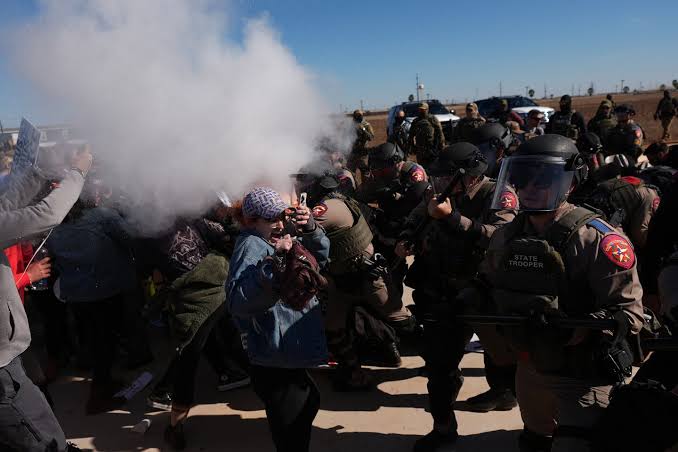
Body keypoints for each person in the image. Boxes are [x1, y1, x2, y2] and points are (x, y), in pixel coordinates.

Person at [478, 134, 644, 452]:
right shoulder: (507, 236)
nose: (529, 189)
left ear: (570, 184)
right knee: (535, 440)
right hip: (531, 366)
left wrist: (576, 328)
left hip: (581, 371)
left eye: (542, 180)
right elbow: (488, 283)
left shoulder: (597, 240)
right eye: (522, 179)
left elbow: (630, 313)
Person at [397, 143, 517, 452]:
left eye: (446, 176)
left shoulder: (498, 194)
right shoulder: (439, 192)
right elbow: (417, 216)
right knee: (439, 366)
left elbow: (501, 236)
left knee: (503, 355)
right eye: (438, 177)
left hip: (484, 292)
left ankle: (505, 394)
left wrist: (453, 219)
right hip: (443, 292)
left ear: (471, 176)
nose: (438, 182)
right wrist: (407, 238)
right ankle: (443, 428)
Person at [0, 149, 92, 452]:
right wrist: (78, 172)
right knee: (46, 442)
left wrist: (39, 172)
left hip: (7, 360)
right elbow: (45, 215)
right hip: (2, 370)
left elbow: (6, 207)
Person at [227, 187, 329, 452]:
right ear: (252, 220)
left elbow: (317, 262)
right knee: (292, 429)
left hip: (287, 351)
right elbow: (238, 301)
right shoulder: (251, 245)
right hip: (275, 356)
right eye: (272, 218)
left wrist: (310, 229)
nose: (281, 224)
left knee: (307, 404)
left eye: (282, 216)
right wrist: (274, 263)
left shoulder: (271, 237)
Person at [299, 167, 412, 388]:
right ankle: (352, 374)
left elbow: (299, 231)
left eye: (304, 182)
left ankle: (437, 356)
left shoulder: (327, 208)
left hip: (367, 276)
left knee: (400, 319)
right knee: (334, 327)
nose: (300, 187)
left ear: (315, 185)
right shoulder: (337, 199)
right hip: (343, 278)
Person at [357, 142, 430, 308]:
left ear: (395, 163)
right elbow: (360, 195)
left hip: (412, 224)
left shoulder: (413, 172)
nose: (377, 172)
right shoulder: (381, 175)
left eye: (381, 169)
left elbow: (416, 205)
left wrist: (392, 195)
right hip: (390, 225)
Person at [408, 102, 446, 168]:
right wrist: (412, 147)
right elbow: (411, 135)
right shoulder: (416, 121)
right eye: (420, 109)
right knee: (422, 167)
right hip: (420, 149)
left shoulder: (432, 119)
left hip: (432, 148)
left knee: (433, 166)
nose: (422, 111)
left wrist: (441, 145)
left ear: (427, 110)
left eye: (423, 110)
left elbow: (440, 132)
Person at [347, 109, 375, 174]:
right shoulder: (351, 125)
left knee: (365, 172)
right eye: (356, 116)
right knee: (350, 171)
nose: (357, 117)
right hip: (353, 152)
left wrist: (363, 129)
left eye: (359, 115)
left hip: (363, 152)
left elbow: (371, 137)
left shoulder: (366, 125)